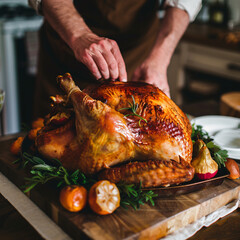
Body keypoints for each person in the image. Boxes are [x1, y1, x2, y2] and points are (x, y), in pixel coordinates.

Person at [29, 0, 201, 118]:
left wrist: (159, 59)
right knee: (49, 133)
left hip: (138, 50)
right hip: (67, 48)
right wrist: (79, 35)